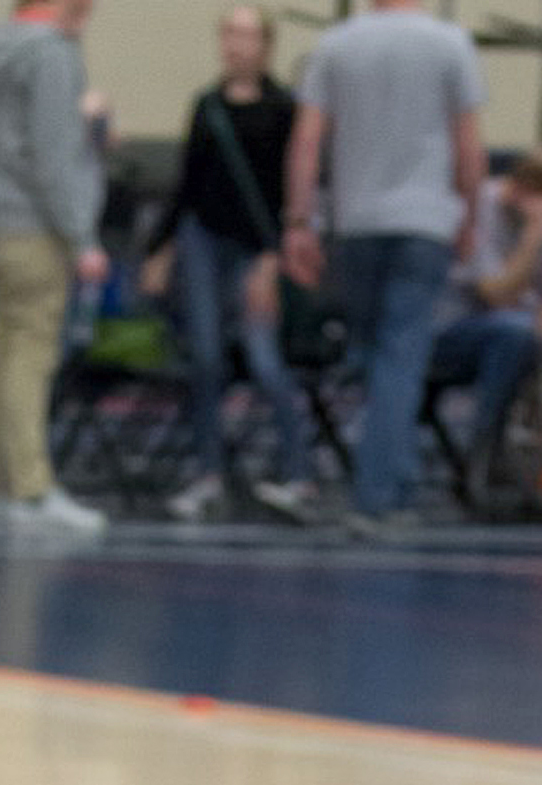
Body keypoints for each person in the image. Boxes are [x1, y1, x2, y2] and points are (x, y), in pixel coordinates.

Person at [281, 0, 486, 530]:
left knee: (377, 355)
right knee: (401, 356)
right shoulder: (449, 44)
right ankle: (380, 494)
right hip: (424, 220)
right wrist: (470, 214)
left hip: (357, 222)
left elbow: (307, 141)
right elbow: (468, 143)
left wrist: (299, 221)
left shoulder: (336, 44)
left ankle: (389, 474)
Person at [143, 6, 318, 526]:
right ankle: (207, 472)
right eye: (229, 35)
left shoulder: (284, 109)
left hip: (256, 247)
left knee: (264, 359)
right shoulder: (207, 104)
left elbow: (289, 191)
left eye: (246, 36)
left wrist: (272, 257)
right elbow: (187, 183)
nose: (236, 46)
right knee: (205, 358)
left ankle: (299, 472)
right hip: (203, 238)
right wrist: (161, 247)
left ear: (266, 45)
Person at [0, 0, 110, 539]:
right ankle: (31, 488)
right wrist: (83, 237)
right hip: (36, 227)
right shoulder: (52, 56)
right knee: (31, 353)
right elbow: (54, 154)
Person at [428, 144, 542, 510]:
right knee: (514, 332)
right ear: (524, 192)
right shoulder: (479, 207)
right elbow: (495, 293)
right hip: (453, 333)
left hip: (524, 333)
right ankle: (484, 454)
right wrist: (533, 241)